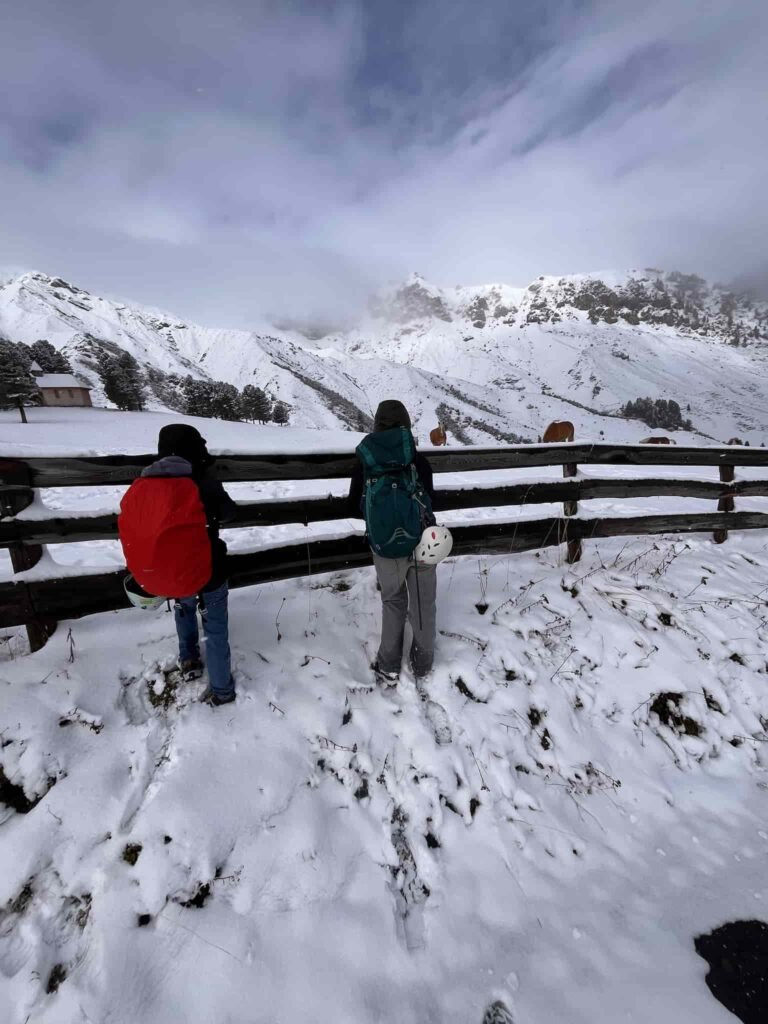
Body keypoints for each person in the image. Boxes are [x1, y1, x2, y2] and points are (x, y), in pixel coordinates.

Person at [141, 424, 238, 706]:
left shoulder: (148, 481)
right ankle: (222, 690)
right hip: (208, 565)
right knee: (216, 627)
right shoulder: (202, 479)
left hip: (172, 567)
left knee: (184, 608)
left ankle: (189, 658)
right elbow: (228, 512)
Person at [348, 400, 437, 684]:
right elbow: (430, 497)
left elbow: (353, 505)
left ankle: (388, 665)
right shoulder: (417, 459)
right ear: (406, 424)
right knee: (423, 602)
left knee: (393, 600)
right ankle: (423, 662)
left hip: (385, 545)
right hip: (422, 540)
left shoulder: (367, 460)